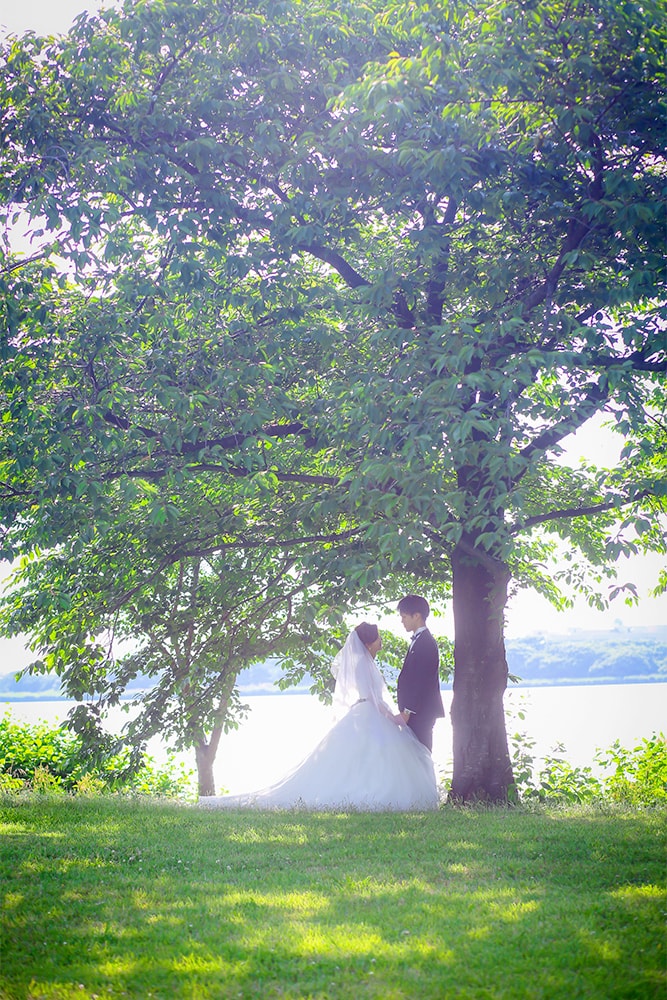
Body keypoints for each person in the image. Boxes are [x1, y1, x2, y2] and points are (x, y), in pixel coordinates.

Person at [199, 622, 439, 811]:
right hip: (368, 714)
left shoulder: (362, 663)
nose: (381, 643)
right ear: (368, 642)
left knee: (363, 758)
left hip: (364, 713)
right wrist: (394, 717)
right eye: (378, 639)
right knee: (375, 753)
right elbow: (373, 700)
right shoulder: (363, 666)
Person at [395, 595, 445, 752]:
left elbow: (420, 680)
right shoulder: (418, 640)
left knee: (421, 755)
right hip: (417, 712)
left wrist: (407, 711)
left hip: (420, 712)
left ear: (416, 616)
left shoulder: (426, 643)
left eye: (404, 616)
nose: (402, 621)